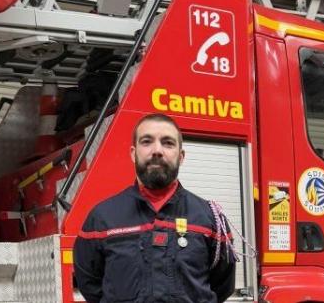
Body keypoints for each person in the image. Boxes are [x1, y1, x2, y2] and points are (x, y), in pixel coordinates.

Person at [74, 113, 236, 303]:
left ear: (181, 156)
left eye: (168, 143)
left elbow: (222, 286)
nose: (157, 150)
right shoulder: (101, 219)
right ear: (133, 153)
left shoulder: (210, 219)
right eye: (147, 141)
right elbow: (89, 284)